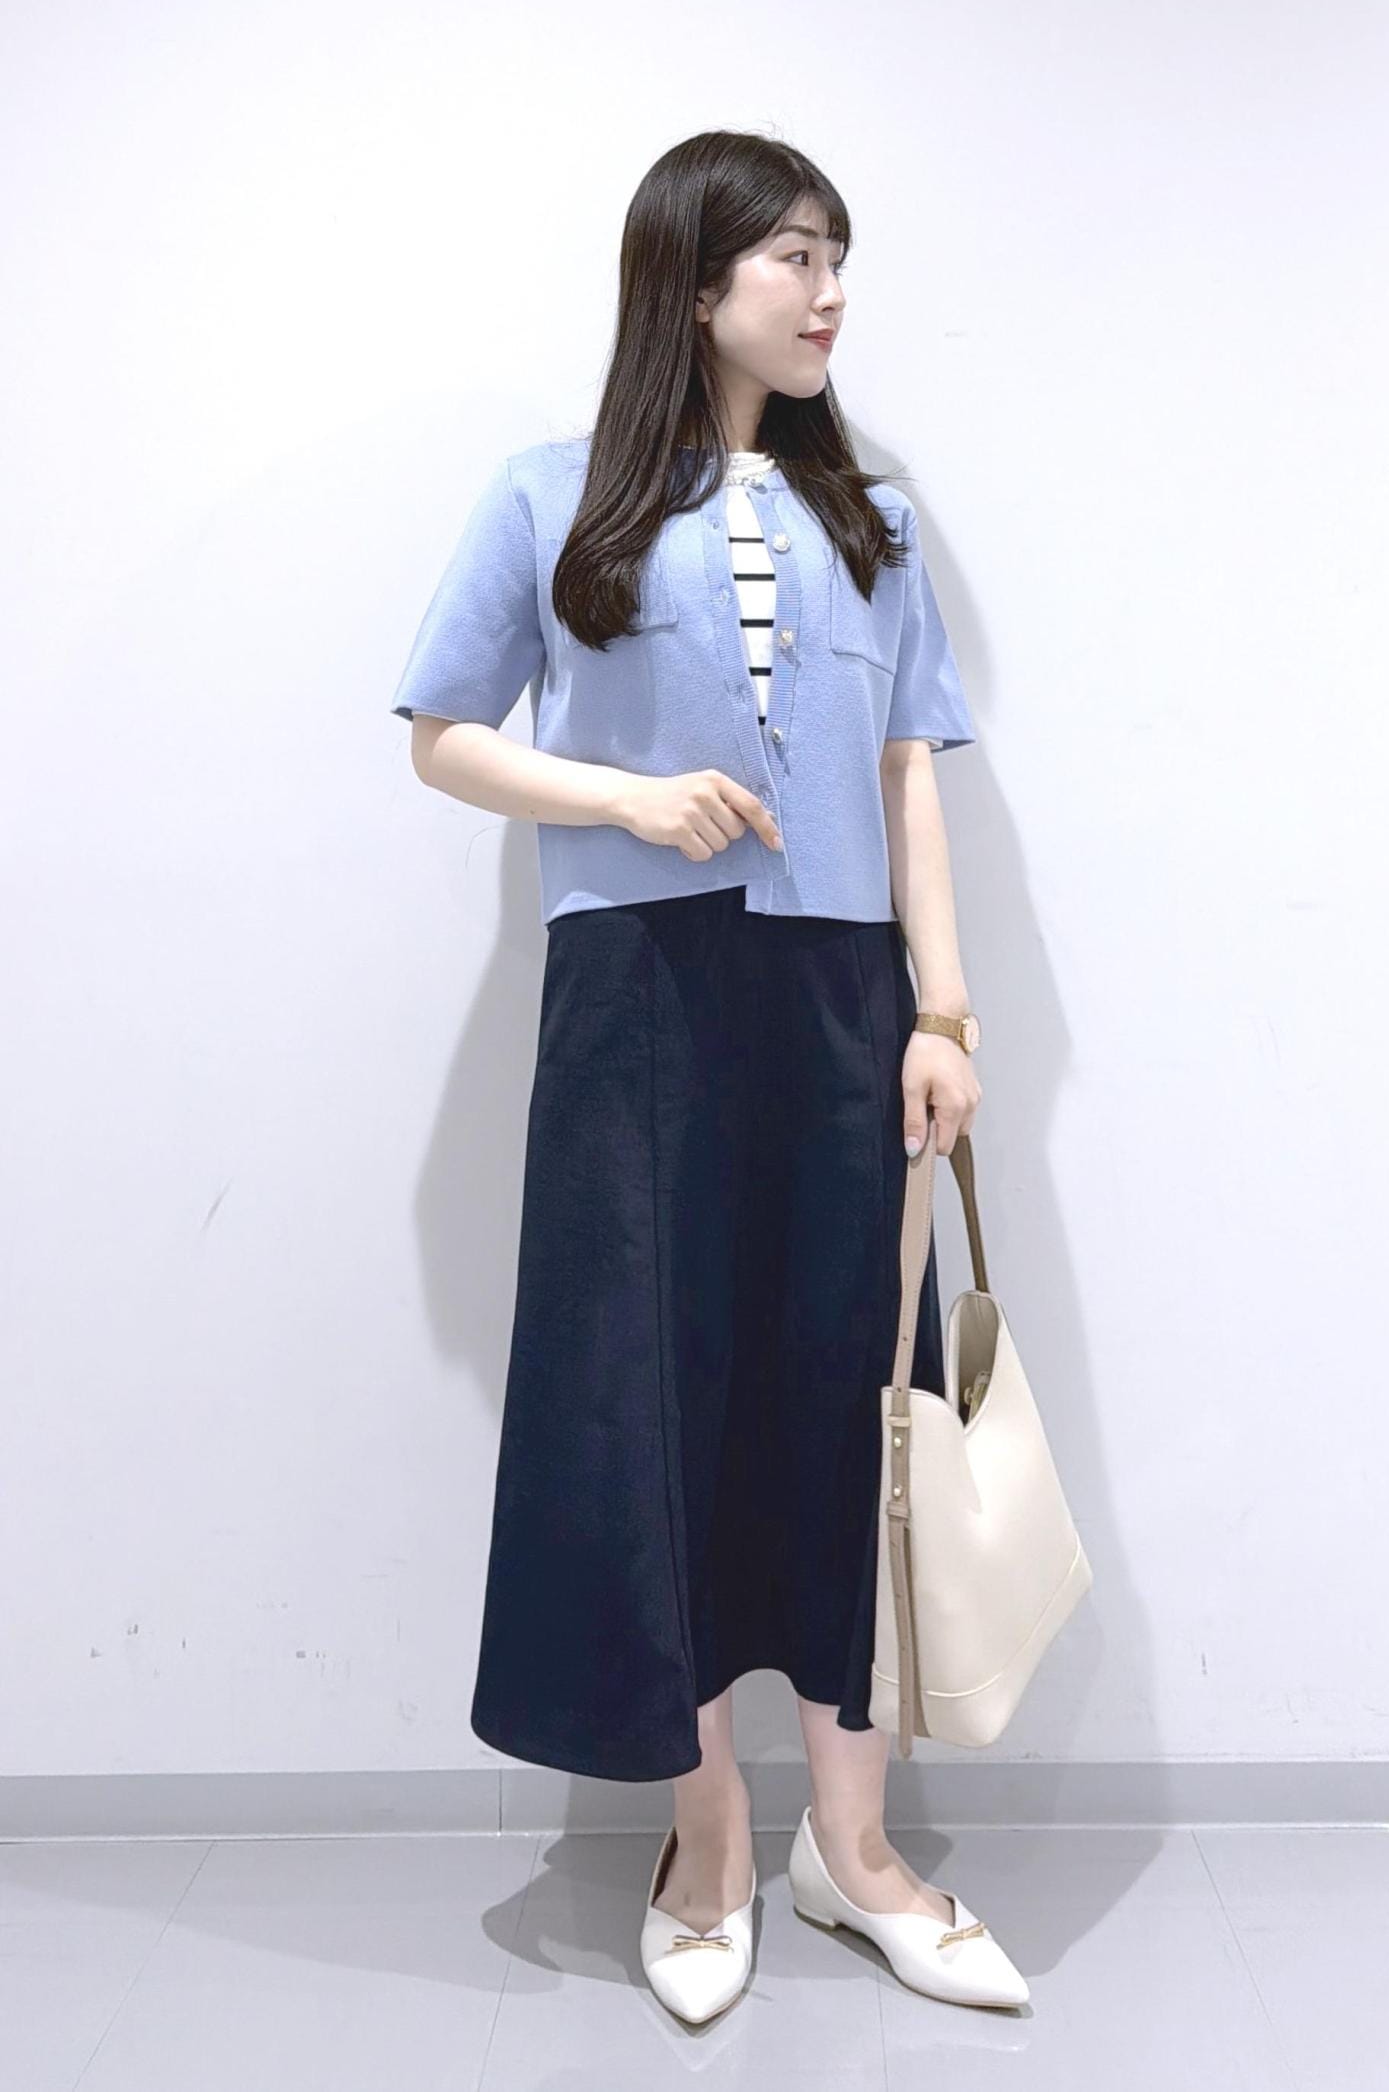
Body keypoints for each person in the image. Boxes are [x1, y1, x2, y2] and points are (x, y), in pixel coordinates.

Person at [389, 128, 1027, 2022]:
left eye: (838, 258)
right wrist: (625, 798)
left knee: (853, 1390)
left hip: (839, 999)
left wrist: (944, 1014)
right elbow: (441, 734)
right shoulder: (553, 494)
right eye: (795, 258)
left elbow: (907, 772)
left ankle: (859, 1849)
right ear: (694, 280)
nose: (830, 294)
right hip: (638, 996)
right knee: (642, 1391)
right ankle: (708, 1835)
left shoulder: (875, 519)